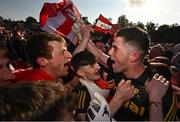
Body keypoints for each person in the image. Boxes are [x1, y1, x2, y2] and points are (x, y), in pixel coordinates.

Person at [78, 26, 176, 121]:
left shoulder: (161, 89)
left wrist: (155, 101)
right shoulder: (119, 66)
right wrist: (84, 36)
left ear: (133, 57)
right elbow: (99, 55)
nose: (110, 52)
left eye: (115, 48)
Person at [71, 50, 136, 120]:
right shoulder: (82, 92)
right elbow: (82, 119)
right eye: (92, 65)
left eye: (96, 62)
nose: (98, 67)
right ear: (81, 72)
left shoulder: (95, 78)